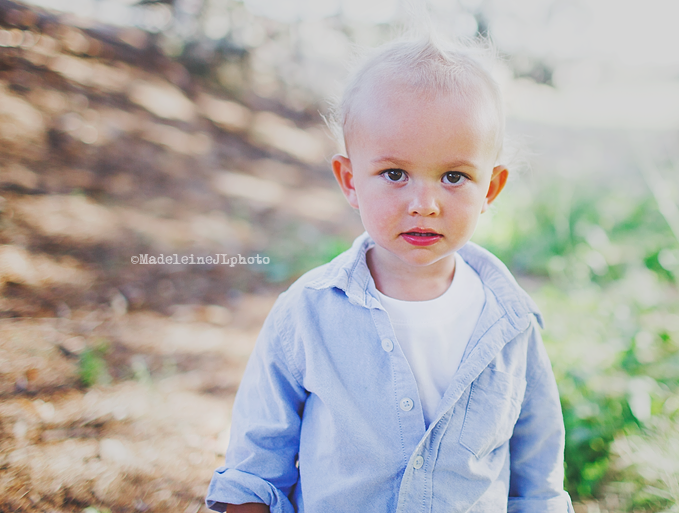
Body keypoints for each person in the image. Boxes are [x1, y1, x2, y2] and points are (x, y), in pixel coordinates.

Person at [206, 34, 572, 513]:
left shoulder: (511, 324)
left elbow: (538, 477)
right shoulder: (307, 313)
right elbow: (254, 472)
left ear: (492, 187)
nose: (425, 205)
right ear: (350, 180)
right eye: (395, 174)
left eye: (454, 177)